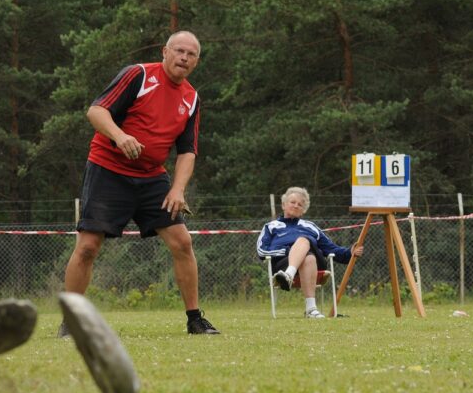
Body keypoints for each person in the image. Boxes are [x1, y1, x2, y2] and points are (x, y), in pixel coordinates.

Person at [59, 30, 220, 336]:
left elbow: (188, 151)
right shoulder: (139, 75)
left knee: (182, 243)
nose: (184, 58)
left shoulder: (191, 98)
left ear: (197, 62)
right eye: (179, 51)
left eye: (191, 55)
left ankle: (195, 320)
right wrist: (119, 137)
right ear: (165, 52)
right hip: (108, 169)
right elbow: (96, 111)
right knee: (88, 247)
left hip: (152, 177)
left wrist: (177, 189)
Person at [256, 187, 364, 319]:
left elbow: (332, 249)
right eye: (292, 202)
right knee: (308, 258)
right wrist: (288, 251)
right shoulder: (271, 226)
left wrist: (350, 252)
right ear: (284, 204)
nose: (296, 206)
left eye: (300, 204)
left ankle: (289, 276)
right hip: (282, 265)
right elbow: (262, 251)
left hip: (311, 266)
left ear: (303, 211)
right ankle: (311, 309)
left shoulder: (310, 226)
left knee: (304, 242)